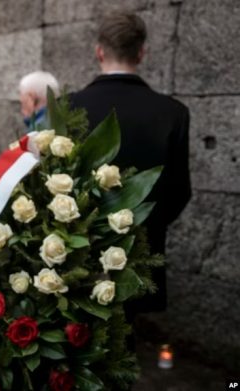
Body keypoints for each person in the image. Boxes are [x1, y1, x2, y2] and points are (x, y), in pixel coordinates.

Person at [70, 11, 191, 313]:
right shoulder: (173, 111)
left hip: (76, 249)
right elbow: (179, 190)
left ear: (99, 51)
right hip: (143, 246)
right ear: (141, 53)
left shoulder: (68, 106)